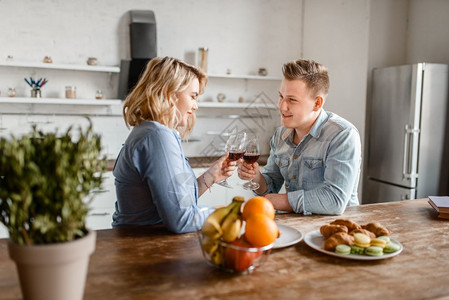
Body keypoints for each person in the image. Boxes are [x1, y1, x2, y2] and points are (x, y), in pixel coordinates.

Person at [112, 57, 237, 233]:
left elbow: (174, 202)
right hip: (143, 248)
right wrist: (235, 213)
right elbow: (182, 220)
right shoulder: (157, 136)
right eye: (193, 96)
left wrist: (210, 176)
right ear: (170, 93)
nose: (196, 106)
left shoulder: (151, 132)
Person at [238, 59, 361, 215]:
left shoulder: (343, 135)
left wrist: (273, 201)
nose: (282, 106)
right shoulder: (279, 135)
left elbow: (334, 200)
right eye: (281, 96)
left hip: (339, 230)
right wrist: (256, 177)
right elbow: (270, 187)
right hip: (296, 226)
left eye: (292, 100)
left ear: (317, 103)